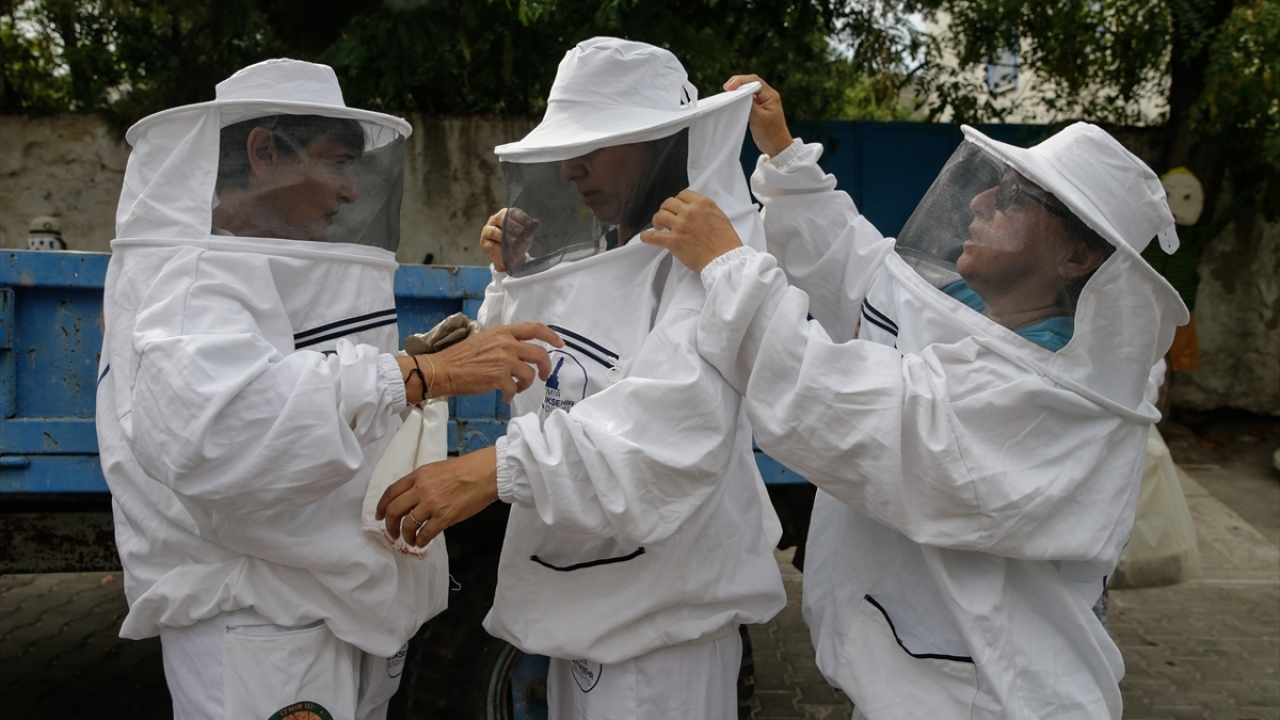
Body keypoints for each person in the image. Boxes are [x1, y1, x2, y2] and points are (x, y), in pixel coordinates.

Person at [640, 76, 1189, 719]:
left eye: (1014, 198)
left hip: (994, 701)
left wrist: (731, 270)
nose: (981, 199)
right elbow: (861, 276)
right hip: (914, 685)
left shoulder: (1055, 394)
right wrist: (784, 155)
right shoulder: (972, 310)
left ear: (1077, 255)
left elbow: (869, 416)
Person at [95, 58, 559, 720]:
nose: (349, 190)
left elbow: (282, 377)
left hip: (303, 609)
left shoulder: (241, 261)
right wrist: (420, 375)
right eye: (337, 162)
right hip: (262, 628)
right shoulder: (196, 276)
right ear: (264, 153)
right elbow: (216, 429)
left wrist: (410, 369)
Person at [377, 39, 786, 719]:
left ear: (662, 144)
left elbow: (665, 433)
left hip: (662, 638)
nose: (571, 169)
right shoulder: (612, 247)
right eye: (570, 147)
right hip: (589, 610)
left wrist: (489, 472)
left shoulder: (713, 263)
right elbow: (551, 372)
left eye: (598, 146)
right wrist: (512, 279)